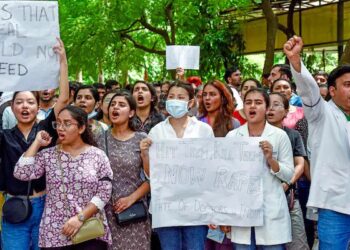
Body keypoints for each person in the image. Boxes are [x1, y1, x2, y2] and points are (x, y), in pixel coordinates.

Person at [0, 38, 69, 250]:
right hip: (14, 206)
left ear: (38, 106)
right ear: (11, 107)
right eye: (19, 102)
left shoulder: (47, 129)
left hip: (45, 205)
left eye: (30, 102)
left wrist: (63, 61)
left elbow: (64, 99)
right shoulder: (4, 136)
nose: (25, 106)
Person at [14, 105, 113, 249]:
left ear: (81, 128)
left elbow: (104, 192)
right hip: (55, 234)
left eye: (67, 123)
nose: (60, 127)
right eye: (58, 123)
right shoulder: (48, 155)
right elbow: (21, 172)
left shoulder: (97, 155)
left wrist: (80, 218)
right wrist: (37, 143)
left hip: (90, 231)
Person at [284, 35, 350, 249]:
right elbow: (309, 91)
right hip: (334, 205)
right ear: (332, 91)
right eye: (348, 85)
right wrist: (295, 62)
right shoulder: (321, 113)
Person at [140, 81, 214, 250]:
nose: (175, 100)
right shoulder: (157, 131)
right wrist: (145, 155)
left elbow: (211, 169)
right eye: (171, 96)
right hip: (167, 207)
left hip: (197, 206)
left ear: (191, 102)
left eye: (181, 97)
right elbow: (151, 176)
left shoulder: (204, 130)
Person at [224, 88, 294, 249]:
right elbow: (225, 180)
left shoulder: (279, 136)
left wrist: (271, 159)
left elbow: (289, 174)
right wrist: (225, 215)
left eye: (258, 102)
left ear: (267, 108)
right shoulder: (233, 137)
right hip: (241, 213)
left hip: (270, 212)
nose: (252, 106)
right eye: (248, 102)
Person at [97, 91, 151, 250]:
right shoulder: (99, 139)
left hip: (135, 211)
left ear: (131, 112)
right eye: (113, 104)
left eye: (121, 105)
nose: (115, 108)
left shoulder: (141, 138)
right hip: (106, 211)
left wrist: (130, 199)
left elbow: (151, 178)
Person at [267, 92, 309, 250]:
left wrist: (288, 183)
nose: (270, 109)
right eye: (267, 104)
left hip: (290, 197)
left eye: (276, 105)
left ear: (286, 111)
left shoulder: (293, 135)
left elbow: (300, 163)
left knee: (298, 244)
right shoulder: (256, 134)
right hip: (263, 199)